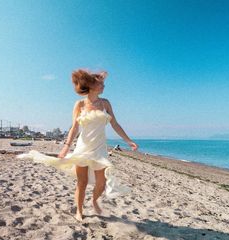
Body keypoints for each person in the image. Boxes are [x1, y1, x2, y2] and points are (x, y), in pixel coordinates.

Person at [17, 69, 138, 222]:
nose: (103, 86)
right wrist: (66, 147)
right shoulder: (80, 104)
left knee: (102, 183)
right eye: (100, 83)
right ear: (91, 85)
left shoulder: (105, 103)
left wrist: (128, 140)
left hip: (100, 148)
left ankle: (94, 200)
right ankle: (79, 211)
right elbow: (74, 128)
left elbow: (114, 123)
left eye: (103, 84)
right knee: (82, 182)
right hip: (83, 147)